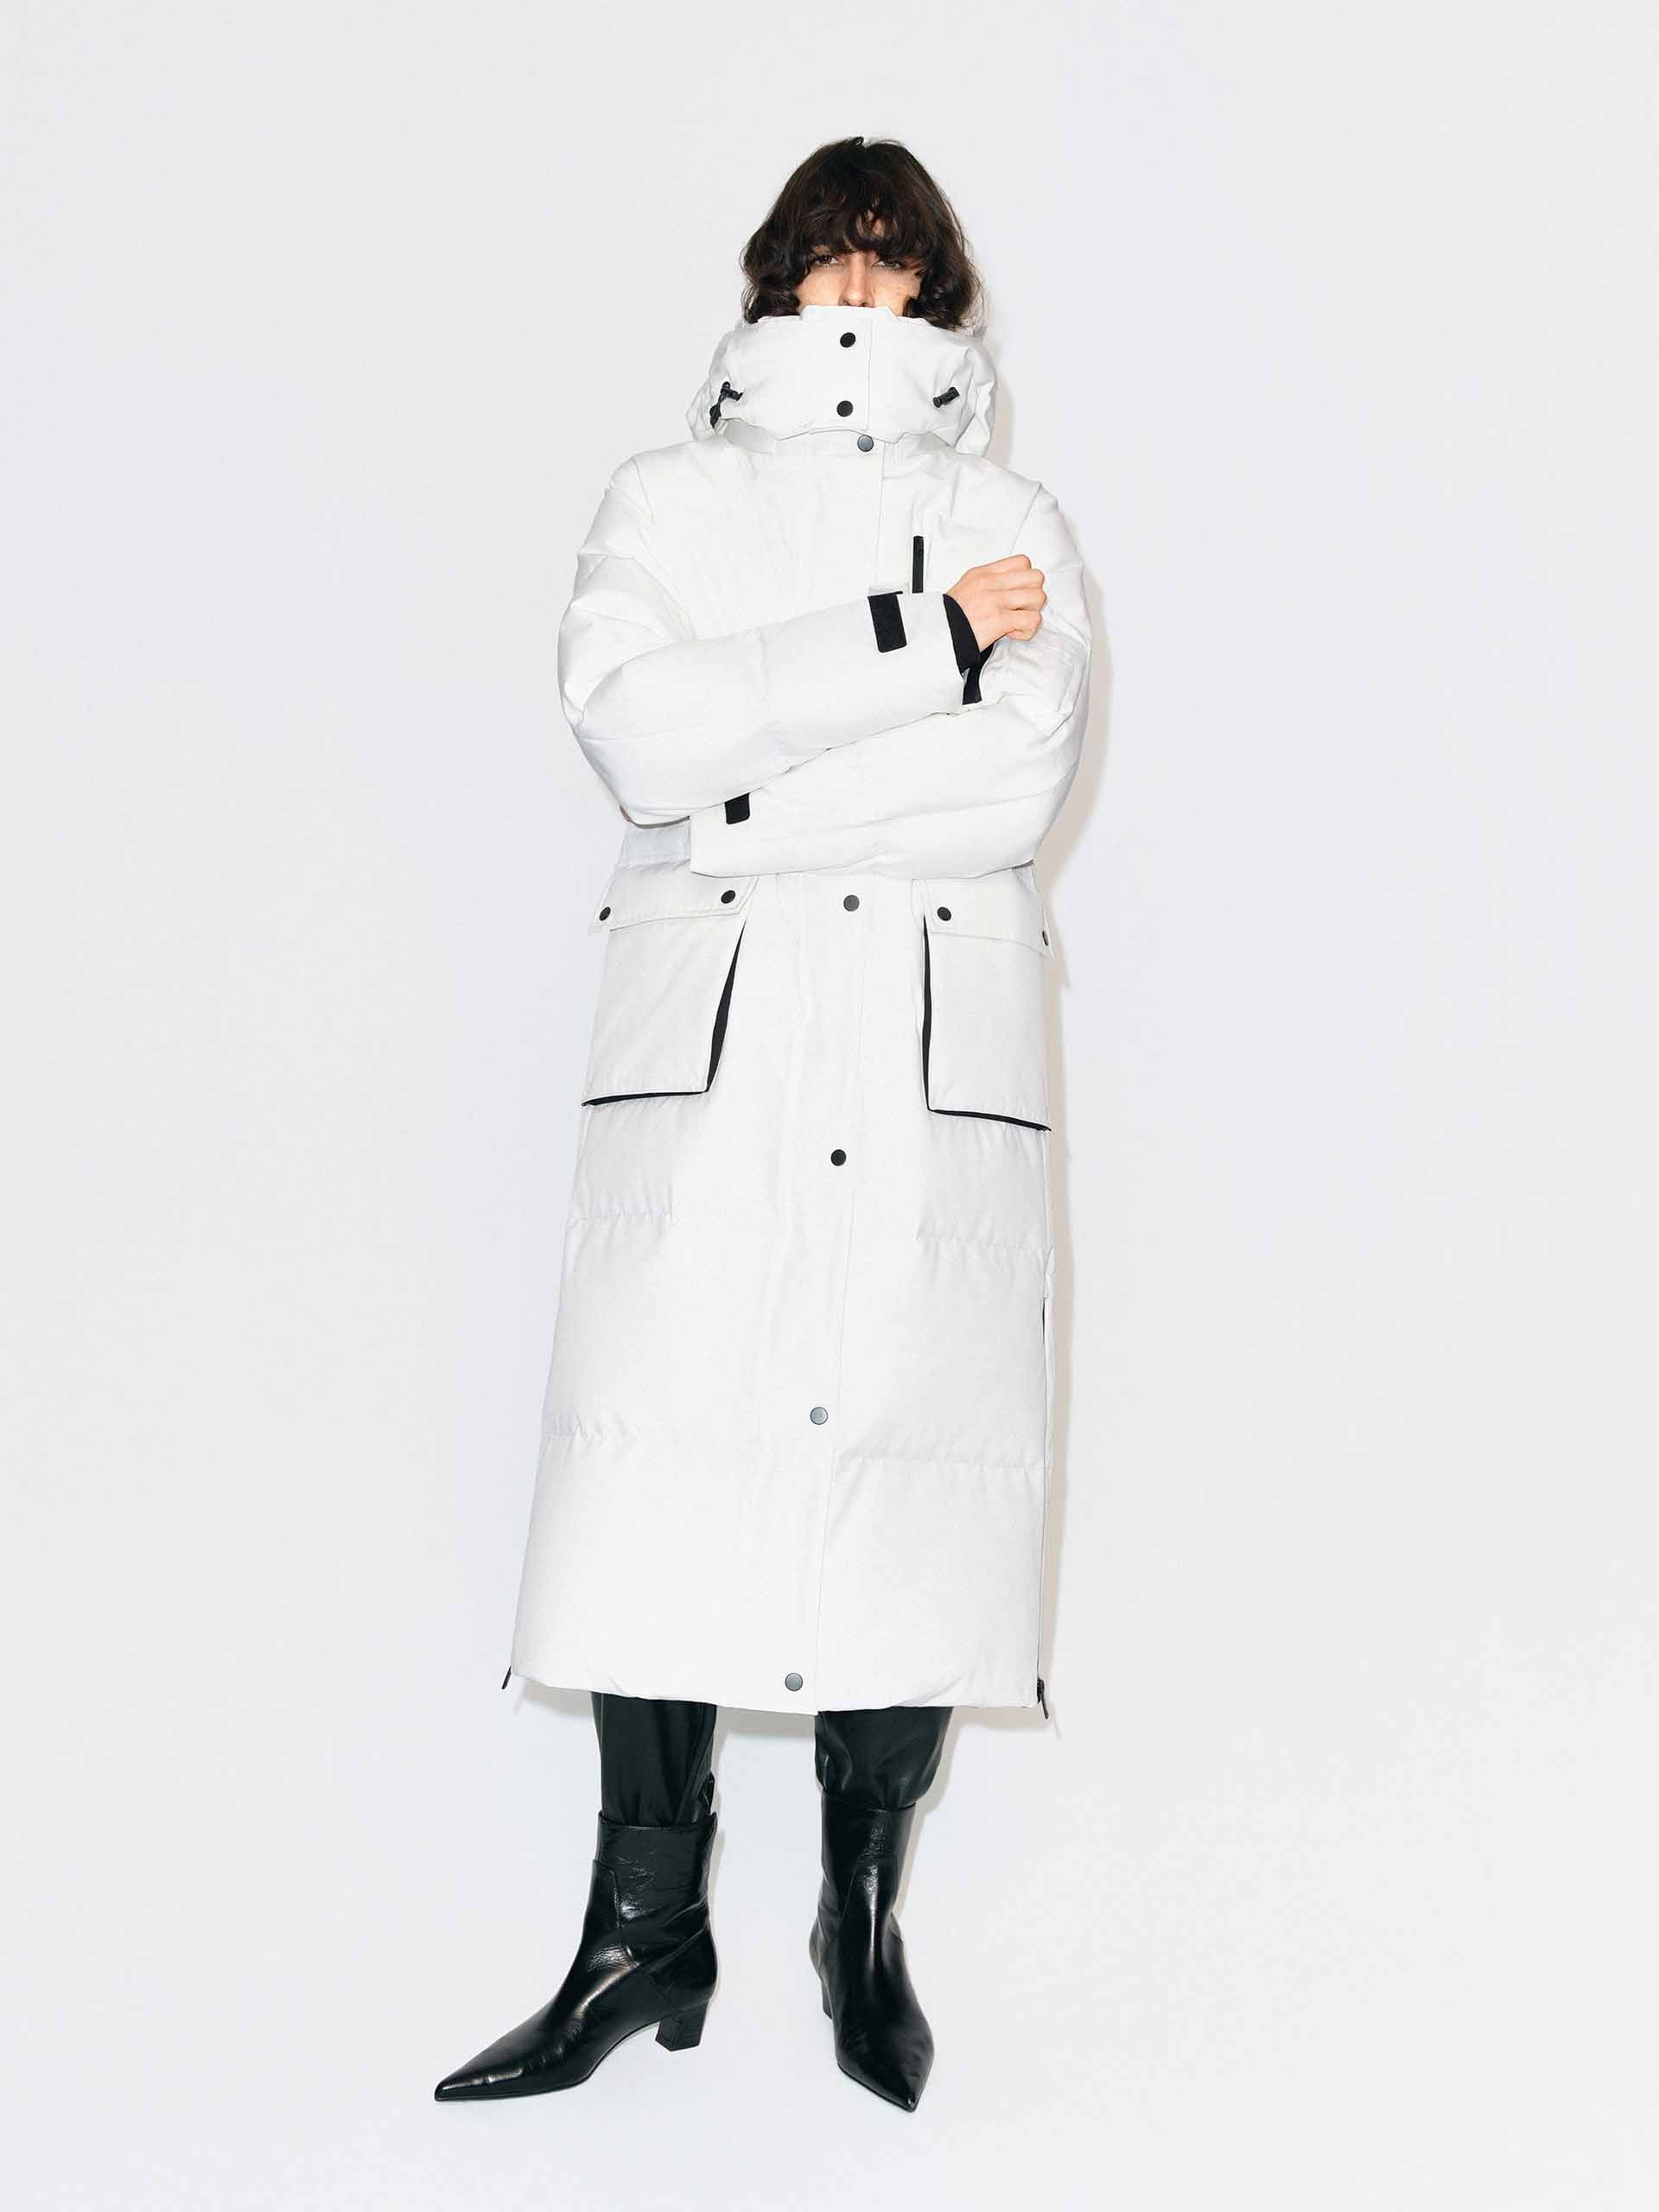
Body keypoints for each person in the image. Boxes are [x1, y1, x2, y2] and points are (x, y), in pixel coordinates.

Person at [435, 135, 1090, 2113]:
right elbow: (632, 728)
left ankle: (855, 1915)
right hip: (712, 1048)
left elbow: (1011, 788)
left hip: (920, 1043)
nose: (857, 298)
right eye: (829, 259)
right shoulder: (666, 497)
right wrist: (921, 642)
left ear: (939, 295)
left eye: (894, 266)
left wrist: (746, 785)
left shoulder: (1011, 513)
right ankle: (642, 1924)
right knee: (657, 1450)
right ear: (776, 278)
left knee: (911, 1451)